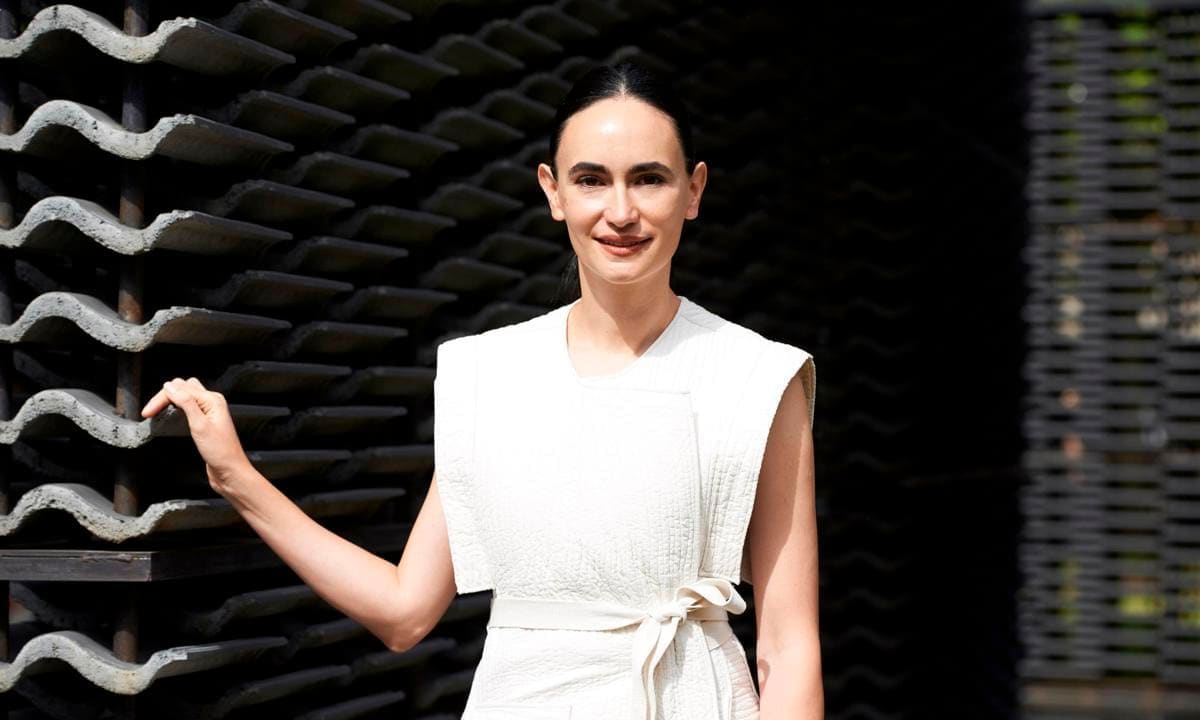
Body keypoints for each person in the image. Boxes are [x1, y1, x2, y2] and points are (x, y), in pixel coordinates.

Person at [142, 62, 822, 720]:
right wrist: (237, 478)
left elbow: (788, 652)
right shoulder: (491, 374)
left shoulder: (755, 376)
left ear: (694, 190)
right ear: (553, 191)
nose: (621, 211)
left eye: (649, 179)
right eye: (591, 180)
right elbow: (405, 611)